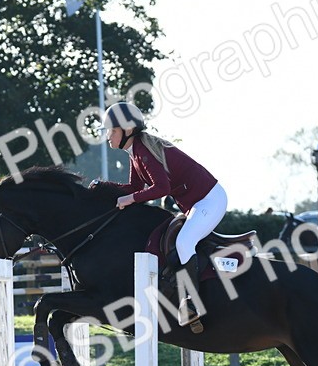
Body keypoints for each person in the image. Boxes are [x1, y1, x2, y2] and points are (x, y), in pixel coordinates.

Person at [96, 101, 227, 331]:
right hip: (197, 203)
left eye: (112, 130)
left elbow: (161, 188)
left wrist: (130, 200)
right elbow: (133, 187)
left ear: (126, 131)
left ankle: (191, 304)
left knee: (184, 242)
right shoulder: (135, 151)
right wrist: (104, 188)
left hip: (210, 200)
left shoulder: (144, 151)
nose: (108, 136)